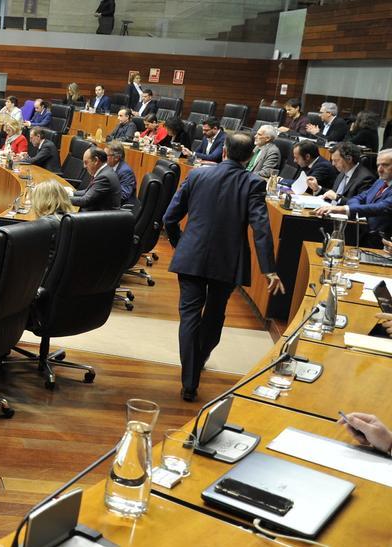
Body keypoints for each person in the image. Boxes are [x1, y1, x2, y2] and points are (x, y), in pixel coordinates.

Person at [163, 132, 283, 401]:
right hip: (227, 261)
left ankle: (190, 380)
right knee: (215, 315)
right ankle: (199, 360)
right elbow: (261, 229)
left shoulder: (197, 175)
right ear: (250, 156)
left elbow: (170, 217)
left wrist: (178, 243)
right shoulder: (253, 182)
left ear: (224, 151)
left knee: (190, 316)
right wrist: (269, 269)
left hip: (191, 255)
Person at [314, 149, 392, 246]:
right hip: (363, 233)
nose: (380, 169)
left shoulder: (371, 178)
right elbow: (359, 197)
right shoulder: (380, 182)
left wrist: (343, 209)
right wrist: (354, 208)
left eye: (385, 165)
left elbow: (381, 207)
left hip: (383, 242)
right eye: (378, 165)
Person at [73, 147, 122, 211]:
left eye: (86, 162)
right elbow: (87, 192)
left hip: (100, 218)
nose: (84, 166)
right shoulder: (104, 171)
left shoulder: (104, 177)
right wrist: (70, 193)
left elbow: (85, 201)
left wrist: (62, 198)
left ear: (96, 160)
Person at [106, 142, 138, 208]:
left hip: (120, 207)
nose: (103, 157)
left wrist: (100, 194)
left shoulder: (126, 172)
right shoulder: (109, 166)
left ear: (116, 158)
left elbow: (123, 195)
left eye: (106, 155)